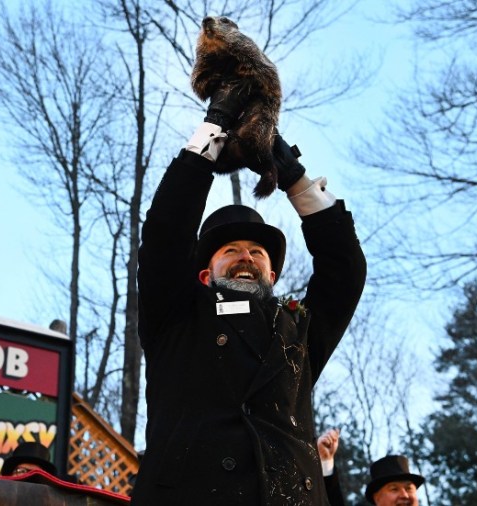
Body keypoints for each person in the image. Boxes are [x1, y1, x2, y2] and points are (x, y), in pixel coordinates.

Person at [132, 81, 367, 505]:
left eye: (257, 252)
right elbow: (166, 236)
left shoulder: (298, 332)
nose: (246, 257)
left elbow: (344, 272)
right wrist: (213, 129)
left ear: (273, 275)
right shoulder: (177, 318)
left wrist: (295, 180)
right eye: (231, 250)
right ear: (205, 274)